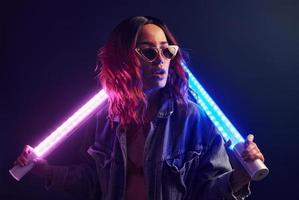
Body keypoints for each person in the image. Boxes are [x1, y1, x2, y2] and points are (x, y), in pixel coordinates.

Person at [14, 16, 265, 200]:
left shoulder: (193, 118)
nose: (161, 60)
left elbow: (206, 192)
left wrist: (240, 177)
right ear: (123, 59)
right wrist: (45, 171)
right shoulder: (105, 118)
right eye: (148, 52)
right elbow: (92, 182)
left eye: (167, 51)